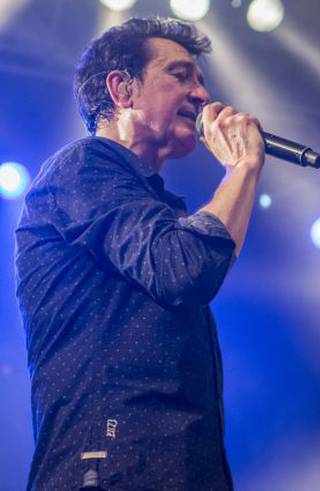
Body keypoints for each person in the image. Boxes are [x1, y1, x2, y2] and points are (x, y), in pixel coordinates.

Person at [15, 17, 265, 490]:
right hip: (111, 465)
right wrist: (243, 167)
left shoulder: (157, 205)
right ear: (121, 89)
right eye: (180, 74)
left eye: (202, 80)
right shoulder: (82, 166)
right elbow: (186, 269)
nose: (202, 95)